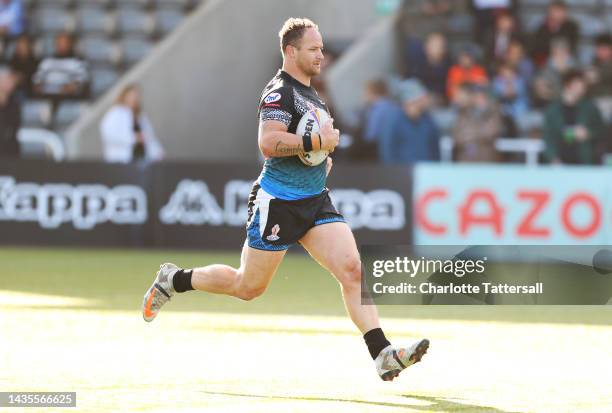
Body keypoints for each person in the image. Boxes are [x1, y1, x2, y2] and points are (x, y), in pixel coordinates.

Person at [141, 17, 429, 382]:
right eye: (314, 49)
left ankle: (382, 354)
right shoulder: (279, 92)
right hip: (278, 202)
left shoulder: (312, 92)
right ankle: (175, 279)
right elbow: (268, 142)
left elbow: (310, 147)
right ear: (291, 52)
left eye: (321, 48)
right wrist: (316, 144)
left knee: (352, 270)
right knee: (248, 287)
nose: (321, 55)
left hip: (315, 199)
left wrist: (322, 159)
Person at [543, 70, 604, 165]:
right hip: (560, 164)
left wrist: (588, 133)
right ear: (568, 84)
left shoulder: (590, 108)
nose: (582, 87)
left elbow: (601, 130)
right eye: (578, 84)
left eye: (583, 84)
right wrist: (553, 158)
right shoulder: (552, 110)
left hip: (584, 162)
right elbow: (548, 137)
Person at [379, 79, 440, 164]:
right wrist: (392, 173)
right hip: (401, 172)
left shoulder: (428, 120)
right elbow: (388, 150)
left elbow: (434, 149)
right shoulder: (393, 120)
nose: (425, 100)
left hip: (424, 171)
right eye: (421, 98)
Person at [100, 84, 164, 163]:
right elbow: (110, 135)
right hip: (121, 159)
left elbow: (149, 136)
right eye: (131, 96)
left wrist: (157, 150)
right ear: (124, 96)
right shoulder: (115, 113)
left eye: (136, 96)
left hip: (140, 159)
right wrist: (134, 138)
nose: (134, 98)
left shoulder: (140, 116)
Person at [452, 83, 503, 162]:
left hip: (487, 161)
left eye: (481, 96)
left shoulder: (493, 113)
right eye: (476, 96)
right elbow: (457, 137)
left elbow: (491, 132)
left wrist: (470, 135)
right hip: (466, 161)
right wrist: (478, 134)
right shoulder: (464, 113)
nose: (478, 99)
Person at [32, 32, 89, 98]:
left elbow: (82, 80)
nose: (62, 46)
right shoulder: (46, 62)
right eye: (59, 43)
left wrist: (72, 87)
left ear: (70, 44)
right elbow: (36, 80)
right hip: (47, 97)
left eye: (64, 43)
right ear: (55, 45)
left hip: (69, 99)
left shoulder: (78, 62)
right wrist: (39, 87)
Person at [405, 32, 451, 104]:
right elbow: (411, 83)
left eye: (436, 45)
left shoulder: (449, 67)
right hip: (419, 101)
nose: (430, 47)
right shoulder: (418, 63)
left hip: (440, 104)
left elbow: (448, 93)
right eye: (430, 43)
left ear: (443, 49)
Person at [530, 0, 579, 68]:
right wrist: (552, 30)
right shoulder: (543, 28)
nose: (557, 14)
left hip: (566, 57)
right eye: (554, 11)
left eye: (560, 11)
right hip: (547, 58)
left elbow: (572, 45)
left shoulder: (572, 27)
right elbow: (538, 47)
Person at [0, 68, 21, 158]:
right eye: (4, 81)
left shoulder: (15, 104)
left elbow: (15, 125)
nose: (8, 84)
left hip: (10, 148)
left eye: (9, 81)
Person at [585, 33, 612, 98]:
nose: (600, 51)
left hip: (608, 97)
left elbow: (593, 76)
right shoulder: (594, 62)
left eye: (604, 49)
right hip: (592, 97)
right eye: (598, 48)